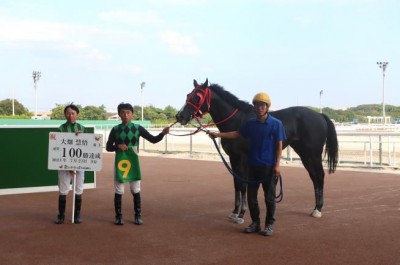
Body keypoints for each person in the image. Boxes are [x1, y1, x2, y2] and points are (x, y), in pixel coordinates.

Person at [209, 92, 286, 236]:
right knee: (252, 197)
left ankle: (269, 224)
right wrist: (218, 135)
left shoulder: (276, 124)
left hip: (268, 167)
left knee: (269, 198)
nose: (259, 108)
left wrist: (277, 165)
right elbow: (236, 134)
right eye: (257, 105)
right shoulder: (250, 124)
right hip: (252, 166)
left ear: (267, 107)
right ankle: (255, 222)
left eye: (262, 105)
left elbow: (279, 145)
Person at [106, 103, 170, 225]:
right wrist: (117, 146)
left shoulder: (138, 128)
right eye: (123, 113)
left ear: (132, 114)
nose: (125, 115)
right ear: (119, 114)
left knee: (135, 189)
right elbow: (108, 147)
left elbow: (153, 140)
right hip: (120, 162)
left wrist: (162, 133)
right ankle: (118, 216)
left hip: (134, 162)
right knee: (119, 189)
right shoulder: (115, 129)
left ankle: (138, 215)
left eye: (128, 113)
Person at [55, 104, 87, 224]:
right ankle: (61, 215)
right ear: (65, 114)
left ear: (77, 115)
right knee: (63, 189)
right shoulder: (61, 129)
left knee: (78, 189)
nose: (70, 115)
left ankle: (77, 215)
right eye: (68, 113)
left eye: (73, 113)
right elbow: (58, 149)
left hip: (80, 164)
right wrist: (68, 166)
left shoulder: (83, 129)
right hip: (64, 165)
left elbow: (87, 147)